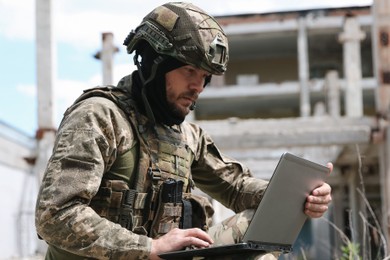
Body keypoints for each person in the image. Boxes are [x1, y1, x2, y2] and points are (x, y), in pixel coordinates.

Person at [35, 2, 332, 260]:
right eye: (189, 71)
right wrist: (147, 247)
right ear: (155, 65)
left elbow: (236, 187)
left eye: (204, 78)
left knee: (257, 234)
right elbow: (55, 215)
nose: (198, 87)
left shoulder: (188, 137)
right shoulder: (100, 116)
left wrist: (299, 195)